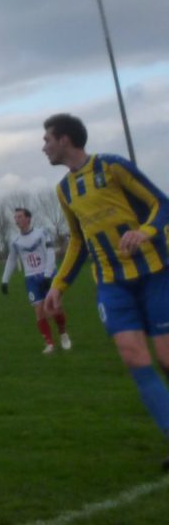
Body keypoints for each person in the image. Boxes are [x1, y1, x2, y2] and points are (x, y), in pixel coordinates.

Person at [40, 113, 169, 471]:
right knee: (133, 357)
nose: (44, 146)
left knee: (166, 358)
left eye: (47, 139)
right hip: (111, 283)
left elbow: (163, 203)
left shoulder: (113, 167)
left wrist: (145, 231)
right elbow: (78, 241)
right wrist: (59, 285)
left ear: (65, 139)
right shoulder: (64, 190)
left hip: (155, 273)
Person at [1, 207, 70, 353]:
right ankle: (49, 343)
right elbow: (11, 260)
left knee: (55, 308)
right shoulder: (16, 240)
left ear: (28, 218)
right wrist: (5, 280)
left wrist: (48, 274)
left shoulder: (42, 233)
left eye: (20, 217)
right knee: (39, 312)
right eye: (15, 218)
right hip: (31, 279)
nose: (17, 220)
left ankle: (63, 334)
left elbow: (50, 253)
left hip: (48, 275)